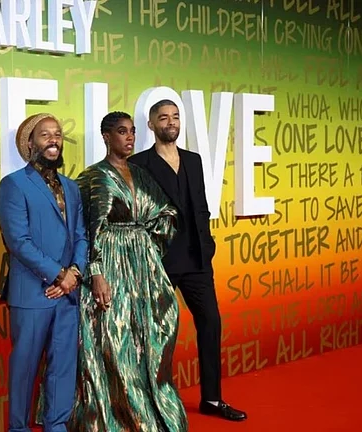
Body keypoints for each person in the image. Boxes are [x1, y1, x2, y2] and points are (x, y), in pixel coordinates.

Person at [68, 111, 188, 432]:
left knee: (155, 331)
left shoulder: (142, 174)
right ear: (106, 136)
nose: (130, 137)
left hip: (143, 269)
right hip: (108, 267)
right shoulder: (94, 177)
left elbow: (167, 213)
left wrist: (143, 243)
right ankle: (117, 415)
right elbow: (85, 229)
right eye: (122, 132)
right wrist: (95, 271)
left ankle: (152, 408)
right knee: (114, 339)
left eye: (132, 131)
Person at [129, 100, 247, 422]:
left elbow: (201, 207)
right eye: (163, 117)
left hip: (196, 260)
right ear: (151, 125)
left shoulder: (193, 161)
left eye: (175, 116)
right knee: (155, 334)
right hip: (160, 263)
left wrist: (207, 246)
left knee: (211, 323)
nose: (171, 122)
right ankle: (151, 403)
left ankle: (212, 399)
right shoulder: (138, 164)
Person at [0, 113, 88, 432]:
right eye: (45, 135)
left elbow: (81, 235)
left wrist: (73, 273)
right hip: (32, 292)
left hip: (68, 292)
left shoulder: (72, 187)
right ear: (30, 144)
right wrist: (57, 274)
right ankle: (18, 427)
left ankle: (56, 424)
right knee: (25, 368)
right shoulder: (14, 184)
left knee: (63, 365)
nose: (53, 139)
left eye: (58, 134)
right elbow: (18, 241)